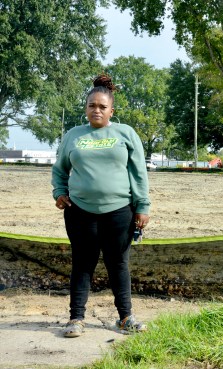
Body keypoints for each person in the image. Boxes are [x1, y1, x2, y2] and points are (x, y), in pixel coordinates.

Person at [52, 74, 151, 337]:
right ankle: (76, 319)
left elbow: (138, 172)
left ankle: (126, 317)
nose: (96, 110)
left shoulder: (125, 133)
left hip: (119, 210)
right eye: (91, 106)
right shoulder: (73, 136)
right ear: (85, 108)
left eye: (102, 107)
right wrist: (59, 192)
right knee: (82, 263)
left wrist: (143, 205)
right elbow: (60, 170)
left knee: (118, 262)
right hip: (80, 211)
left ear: (111, 110)